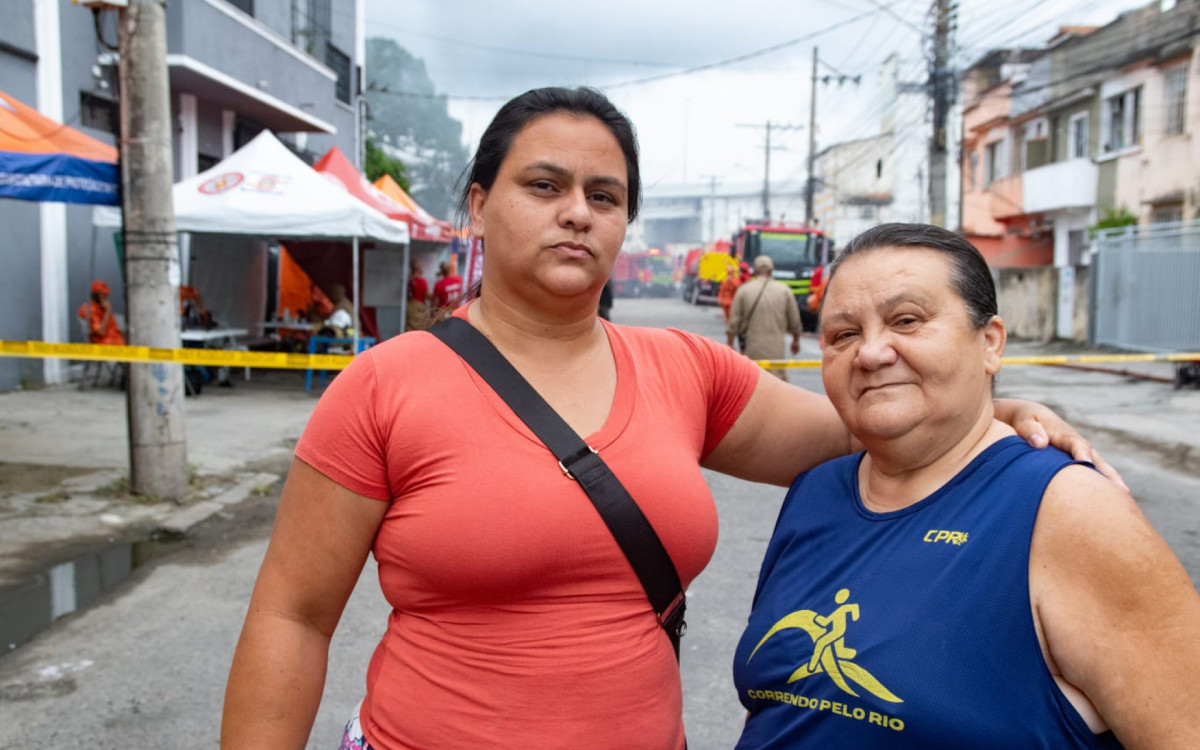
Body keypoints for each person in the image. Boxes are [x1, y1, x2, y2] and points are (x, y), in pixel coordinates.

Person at [221, 88, 1115, 750]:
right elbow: (291, 620)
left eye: (604, 197)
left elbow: (859, 427)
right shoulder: (383, 387)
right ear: (480, 205)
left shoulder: (686, 370)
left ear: (624, 226)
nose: (577, 211)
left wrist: (987, 408)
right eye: (545, 185)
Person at [733, 224, 1200, 749]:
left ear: (990, 343)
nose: (869, 352)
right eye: (843, 334)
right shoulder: (816, 491)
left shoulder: (1072, 510)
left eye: (906, 321)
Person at [727, 255, 801, 381]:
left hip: (751, 349)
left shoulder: (743, 291)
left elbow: (734, 322)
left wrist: (730, 344)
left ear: (754, 271)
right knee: (776, 385)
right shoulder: (784, 291)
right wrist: (795, 341)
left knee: (751, 383)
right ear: (772, 271)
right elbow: (794, 322)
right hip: (776, 352)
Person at [78, 280, 125, 345]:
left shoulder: (101, 307)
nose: (106, 297)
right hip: (105, 347)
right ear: (96, 295)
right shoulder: (89, 309)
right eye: (104, 294)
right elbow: (101, 331)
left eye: (107, 294)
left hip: (117, 345)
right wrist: (108, 311)